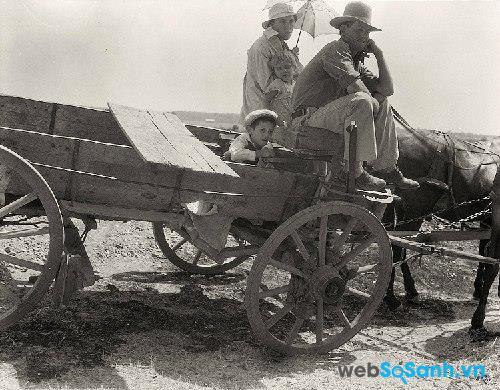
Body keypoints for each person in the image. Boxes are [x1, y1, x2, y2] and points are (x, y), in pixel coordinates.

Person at [291, 1, 419, 191]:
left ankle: (386, 168)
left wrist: (379, 54)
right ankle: (356, 172)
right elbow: (358, 91)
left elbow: (387, 90)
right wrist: (373, 104)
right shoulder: (336, 49)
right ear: (343, 29)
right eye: (360, 31)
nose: (364, 37)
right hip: (306, 122)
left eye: (367, 33)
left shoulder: (355, 61)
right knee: (363, 100)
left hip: (325, 121)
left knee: (383, 103)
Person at [240, 3, 303, 124]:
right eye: (283, 21)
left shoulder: (280, 44)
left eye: (291, 21)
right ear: (272, 24)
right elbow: (268, 86)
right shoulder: (261, 47)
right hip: (261, 113)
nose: (288, 26)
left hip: (276, 113)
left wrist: (293, 58)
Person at [265, 52, 295, 127]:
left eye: (287, 67)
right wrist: (273, 118)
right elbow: (266, 100)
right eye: (279, 69)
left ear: (294, 68)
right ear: (274, 71)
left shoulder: (295, 84)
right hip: (279, 121)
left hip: (293, 120)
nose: (284, 71)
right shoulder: (278, 84)